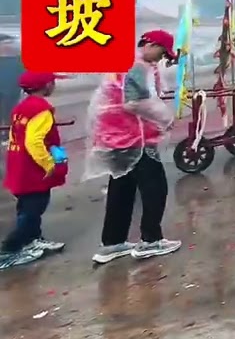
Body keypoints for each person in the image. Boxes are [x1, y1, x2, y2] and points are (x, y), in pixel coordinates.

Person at [86, 30, 183, 263]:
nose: (161, 59)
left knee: (122, 189)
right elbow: (134, 102)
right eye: (162, 52)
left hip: (114, 138)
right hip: (136, 140)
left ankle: (112, 243)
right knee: (155, 187)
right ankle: (151, 240)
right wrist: (165, 117)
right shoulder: (137, 67)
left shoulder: (121, 63)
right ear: (151, 44)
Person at [0, 71, 69, 270]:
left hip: (19, 163)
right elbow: (34, 141)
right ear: (46, 85)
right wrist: (49, 164)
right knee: (33, 209)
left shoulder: (21, 107)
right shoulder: (41, 109)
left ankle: (33, 239)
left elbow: (15, 136)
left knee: (26, 205)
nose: (54, 85)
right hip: (33, 167)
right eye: (53, 81)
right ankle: (9, 250)